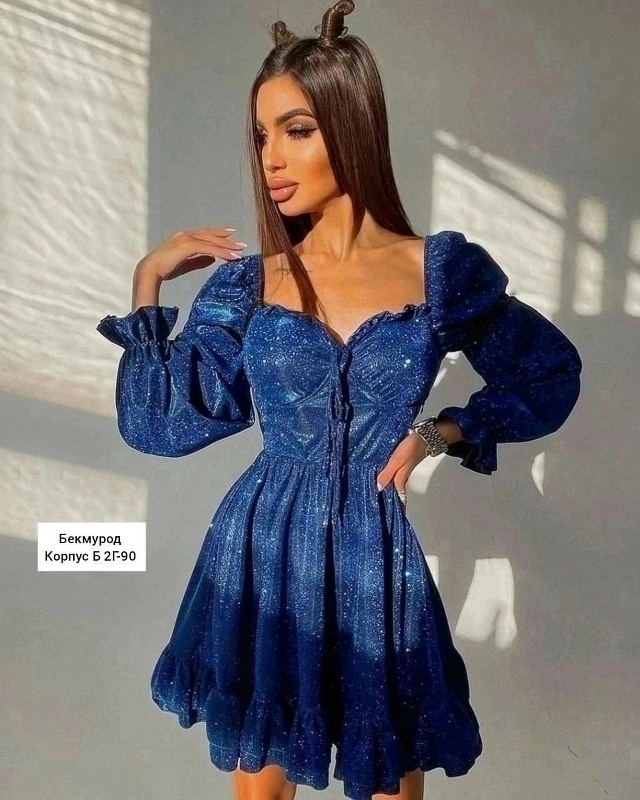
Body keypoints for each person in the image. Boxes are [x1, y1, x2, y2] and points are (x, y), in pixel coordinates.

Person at [96, 3, 582, 799]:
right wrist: (147, 284)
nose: (271, 158)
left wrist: (441, 431)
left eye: (296, 130)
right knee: (263, 778)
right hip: (261, 542)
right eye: (261, 135)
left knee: (388, 769)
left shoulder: (440, 271)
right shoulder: (250, 283)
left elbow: (547, 373)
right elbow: (160, 424)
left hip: (372, 547)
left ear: (352, 127)